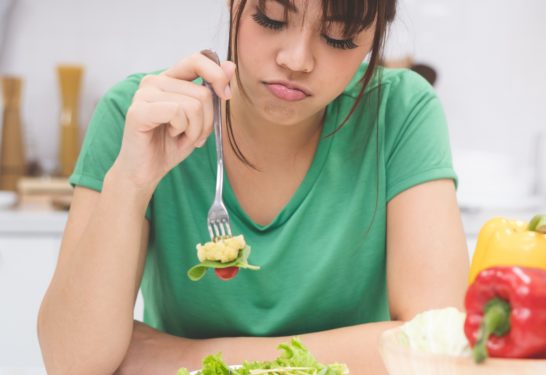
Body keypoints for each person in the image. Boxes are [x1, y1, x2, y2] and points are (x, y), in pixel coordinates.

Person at [37, 0, 469, 373]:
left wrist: (192, 359)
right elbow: (71, 364)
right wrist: (130, 182)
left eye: (339, 37)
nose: (297, 60)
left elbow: (439, 349)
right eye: (271, 19)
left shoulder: (399, 111)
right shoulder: (139, 118)